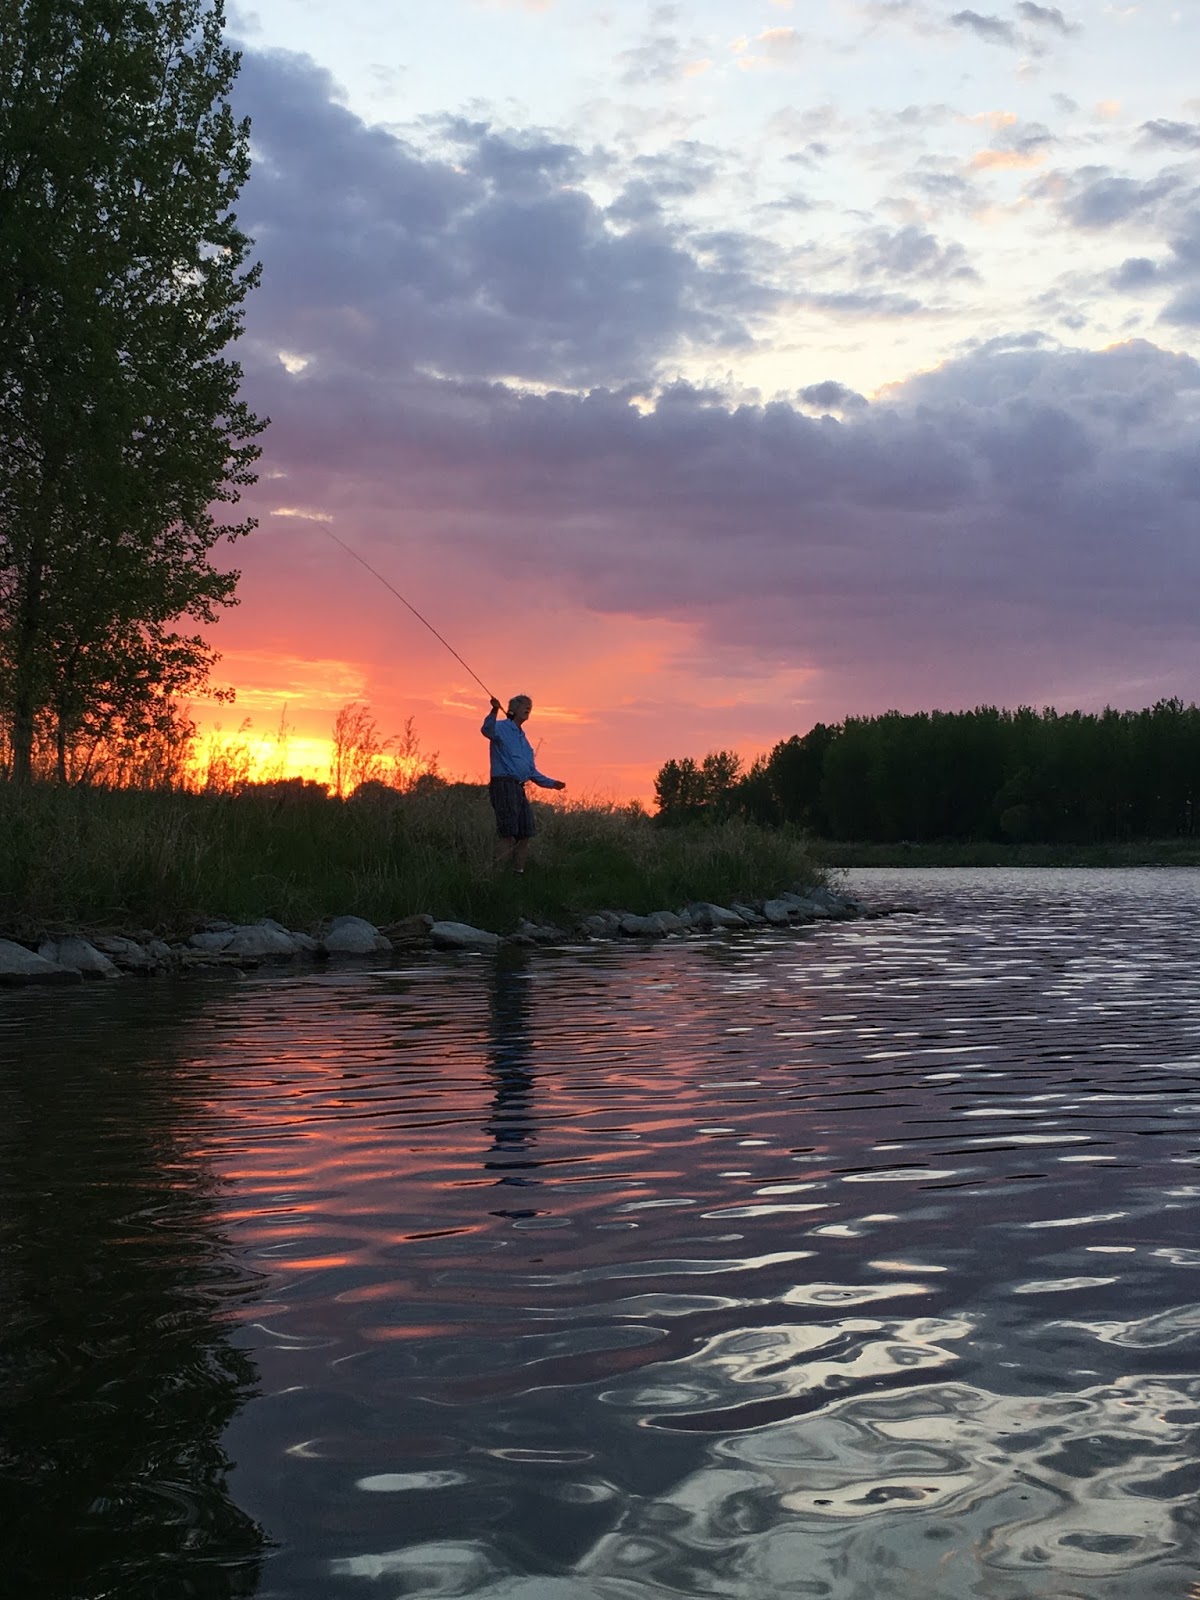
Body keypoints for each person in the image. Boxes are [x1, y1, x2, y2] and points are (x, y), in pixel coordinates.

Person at [481, 694, 566, 872]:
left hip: (519, 788)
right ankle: (495, 876)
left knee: (525, 834)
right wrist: (494, 709)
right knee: (508, 834)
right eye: (525, 705)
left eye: (530, 706)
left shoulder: (524, 741)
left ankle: (518, 875)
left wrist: (552, 783)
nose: (528, 708)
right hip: (503, 785)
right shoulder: (501, 727)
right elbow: (487, 730)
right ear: (513, 708)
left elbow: (531, 772)